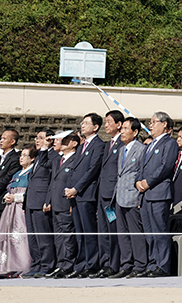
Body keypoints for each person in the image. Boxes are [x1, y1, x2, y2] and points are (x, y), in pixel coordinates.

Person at [64, 113, 105, 277]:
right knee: (79, 232)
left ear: (95, 127)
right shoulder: (81, 146)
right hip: (74, 194)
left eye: (86, 123)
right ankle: (81, 264)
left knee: (88, 231)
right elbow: (74, 170)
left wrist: (77, 188)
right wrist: (69, 188)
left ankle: (92, 264)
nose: (83, 125)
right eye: (82, 123)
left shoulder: (99, 145)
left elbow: (92, 170)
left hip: (86, 194)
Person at [135, 112, 176, 277]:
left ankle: (163, 265)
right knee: (149, 232)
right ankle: (152, 264)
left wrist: (147, 182)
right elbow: (141, 168)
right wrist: (138, 181)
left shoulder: (169, 143)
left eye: (153, 122)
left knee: (160, 231)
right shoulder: (149, 145)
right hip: (145, 194)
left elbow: (165, 167)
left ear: (164, 124)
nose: (150, 125)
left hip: (159, 192)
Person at [0, 144, 35, 276]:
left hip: (21, 208)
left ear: (32, 158)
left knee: (20, 237)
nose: (21, 158)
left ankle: (22, 266)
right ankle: (7, 267)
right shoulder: (17, 173)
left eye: (25, 155)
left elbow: (31, 192)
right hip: (10, 209)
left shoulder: (32, 172)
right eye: (21, 155)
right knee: (7, 236)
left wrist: (17, 197)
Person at [112, 117, 147, 278]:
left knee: (135, 233)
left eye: (126, 129)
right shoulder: (121, 150)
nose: (122, 132)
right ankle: (126, 264)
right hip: (119, 196)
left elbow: (141, 173)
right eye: (122, 129)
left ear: (135, 132)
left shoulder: (141, 149)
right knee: (122, 234)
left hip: (133, 197)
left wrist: (140, 198)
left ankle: (140, 264)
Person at [93, 110, 124, 278]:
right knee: (103, 231)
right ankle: (105, 263)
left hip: (112, 194)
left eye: (109, 122)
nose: (106, 125)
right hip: (102, 192)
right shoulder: (108, 144)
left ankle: (114, 263)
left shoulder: (123, 144)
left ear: (119, 124)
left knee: (113, 231)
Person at [48, 132, 81, 278]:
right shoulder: (58, 160)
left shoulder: (76, 159)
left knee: (68, 236)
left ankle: (68, 264)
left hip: (66, 202)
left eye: (66, 140)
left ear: (74, 143)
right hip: (55, 203)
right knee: (59, 236)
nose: (62, 142)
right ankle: (60, 263)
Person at [24, 131, 55, 277]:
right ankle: (36, 264)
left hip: (41, 201)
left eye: (41, 138)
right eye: (37, 138)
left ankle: (46, 264)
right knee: (33, 237)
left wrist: (47, 200)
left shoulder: (52, 154)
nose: (38, 141)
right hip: (30, 201)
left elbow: (50, 179)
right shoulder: (38, 157)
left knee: (43, 237)